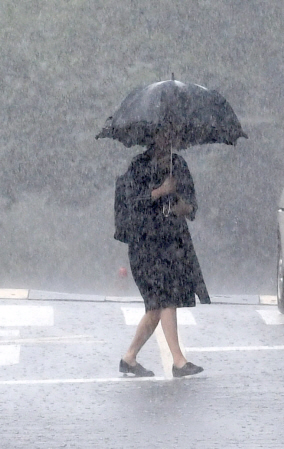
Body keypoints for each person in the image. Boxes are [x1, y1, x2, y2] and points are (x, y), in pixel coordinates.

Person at [119, 127, 207, 378]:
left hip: (170, 243)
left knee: (157, 307)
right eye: (163, 136)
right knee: (164, 297)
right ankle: (178, 361)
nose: (168, 141)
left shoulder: (178, 165)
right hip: (144, 244)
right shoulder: (138, 166)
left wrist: (182, 206)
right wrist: (161, 191)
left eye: (171, 136)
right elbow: (131, 203)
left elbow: (191, 205)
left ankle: (129, 358)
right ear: (153, 138)